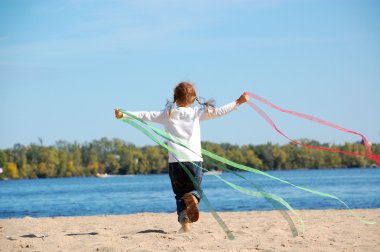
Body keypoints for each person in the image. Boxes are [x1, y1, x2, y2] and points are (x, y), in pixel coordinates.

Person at [114, 82, 249, 233]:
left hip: (176, 163)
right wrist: (238, 102)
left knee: (180, 195)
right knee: (194, 191)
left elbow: (145, 115)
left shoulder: (167, 114)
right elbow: (219, 112)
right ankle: (193, 198)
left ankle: (185, 224)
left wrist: (124, 114)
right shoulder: (197, 113)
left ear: (175, 97)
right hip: (195, 162)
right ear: (193, 99)